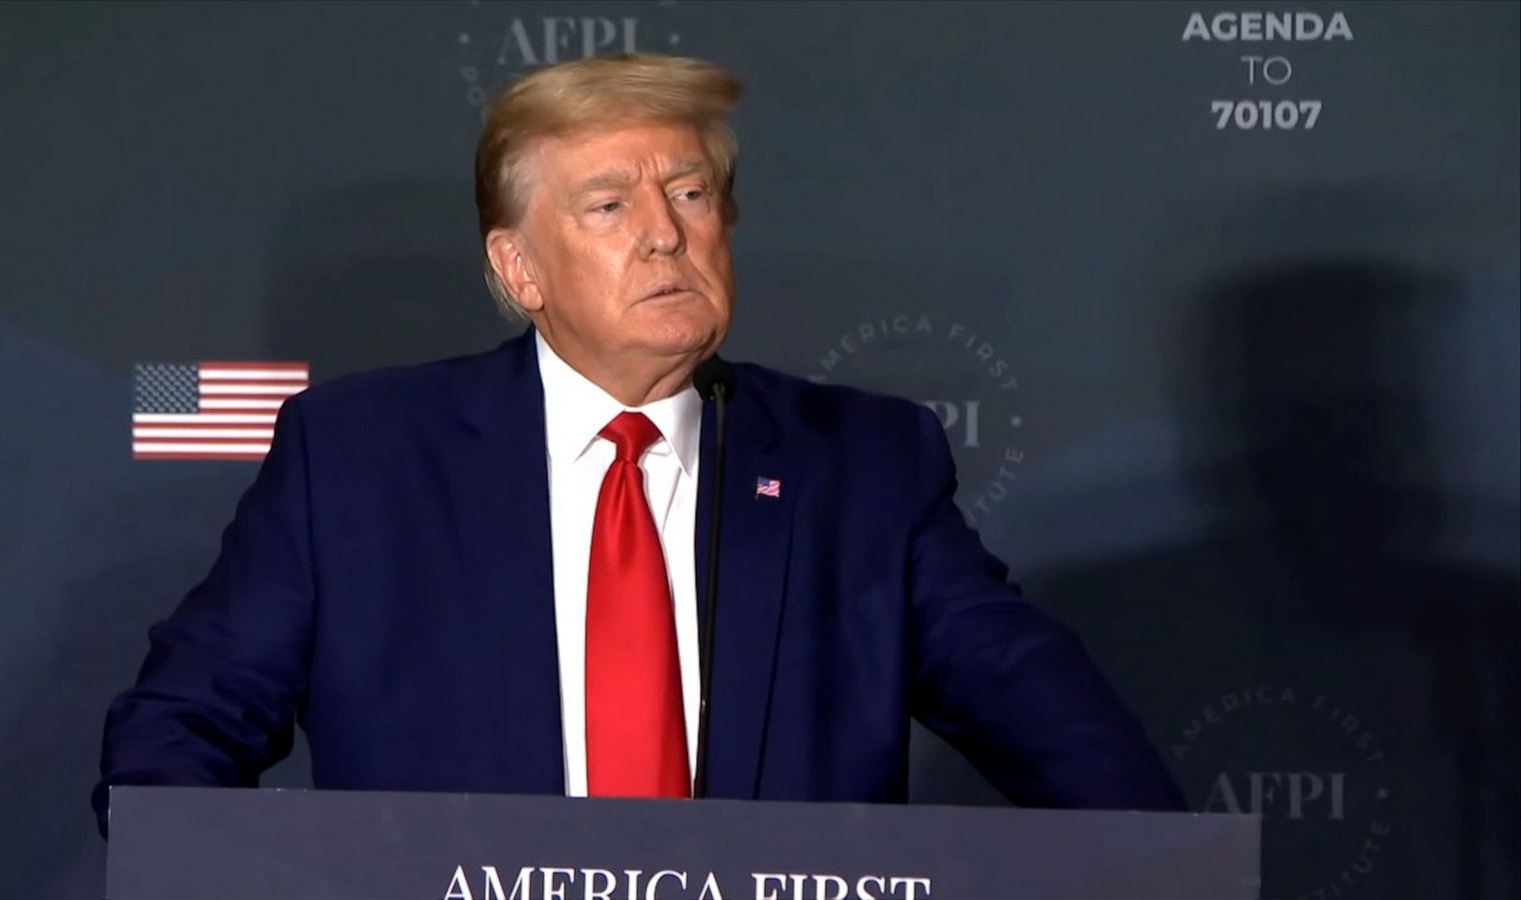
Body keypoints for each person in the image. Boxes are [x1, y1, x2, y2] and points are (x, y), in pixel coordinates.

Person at [93, 53, 1183, 833]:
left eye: (691, 193)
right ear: (518, 268)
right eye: (609, 206)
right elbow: (182, 726)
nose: (666, 233)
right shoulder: (360, 457)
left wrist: (1164, 867)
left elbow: (1041, 711)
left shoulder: (861, 465)